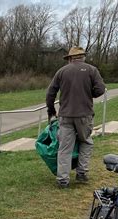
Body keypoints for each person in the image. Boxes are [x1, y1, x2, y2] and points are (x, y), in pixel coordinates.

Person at [46, 46, 106, 188]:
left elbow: (50, 93)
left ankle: (62, 180)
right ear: (83, 57)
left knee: (64, 148)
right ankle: (81, 173)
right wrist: (88, 94)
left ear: (70, 58)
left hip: (65, 115)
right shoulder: (92, 70)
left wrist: (51, 111)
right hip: (84, 115)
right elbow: (100, 89)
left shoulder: (61, 71)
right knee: (86, 142)